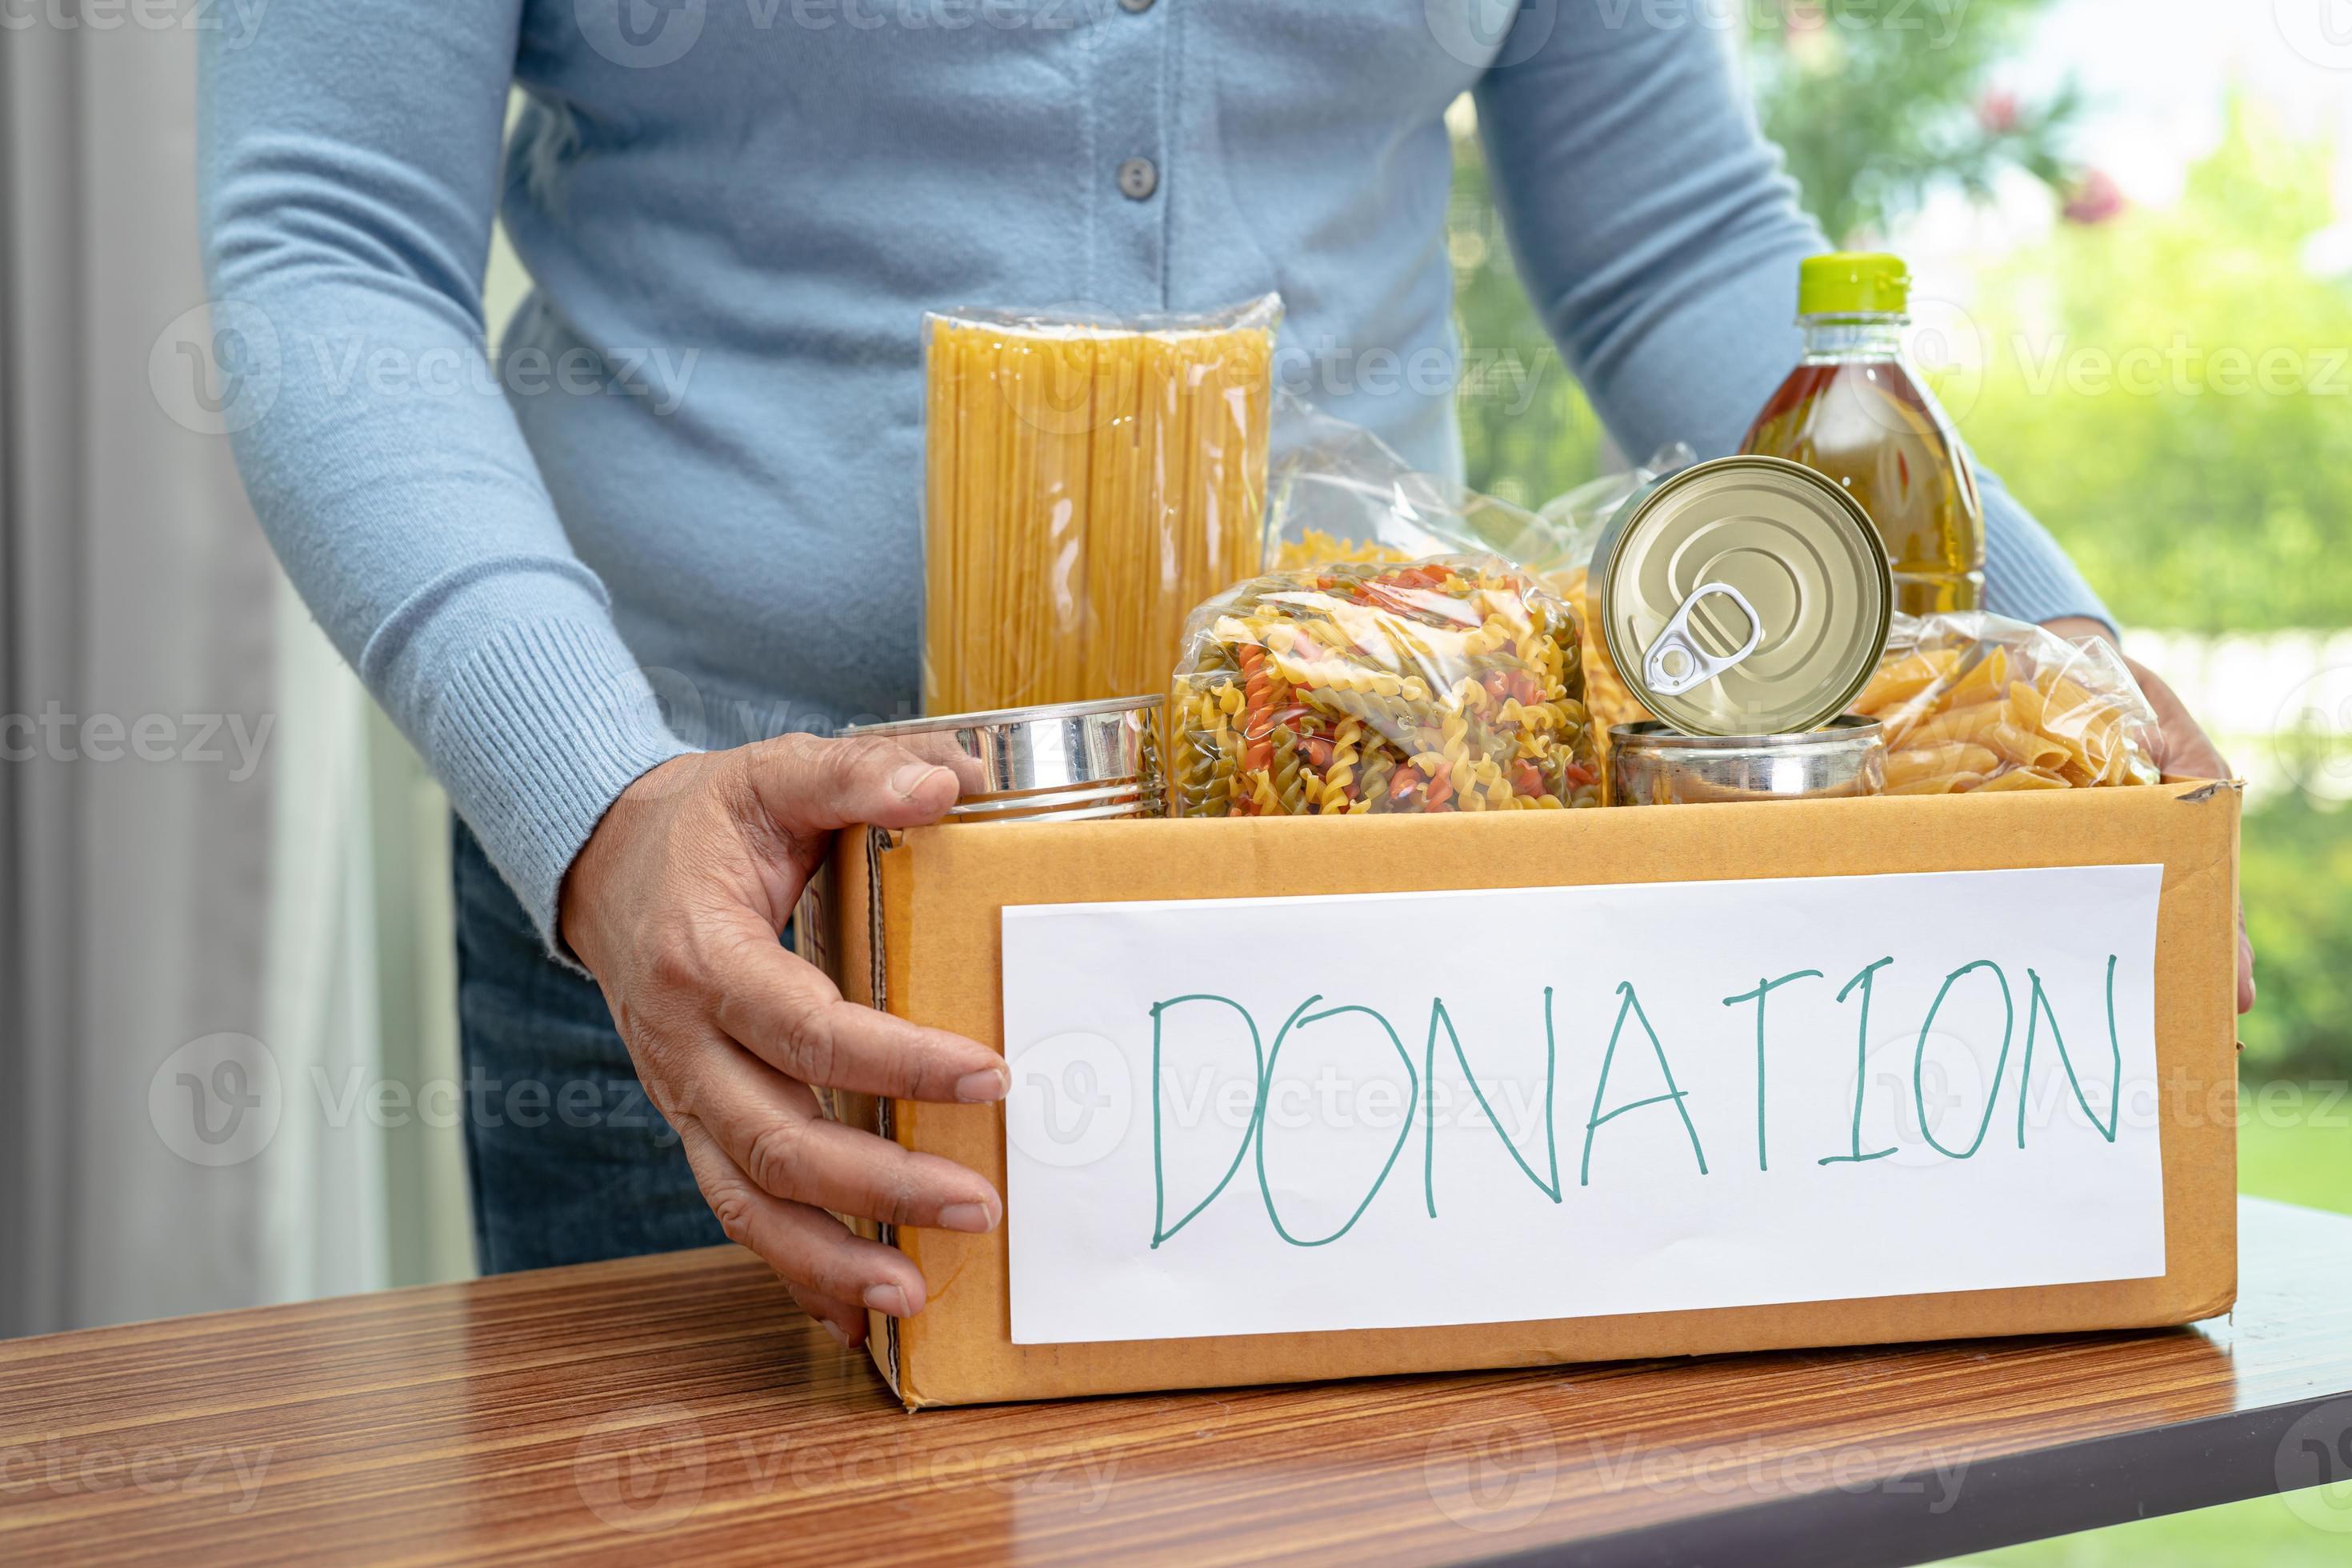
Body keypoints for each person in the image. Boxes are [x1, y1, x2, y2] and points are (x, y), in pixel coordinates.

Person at [199, 2, 2248, 1348]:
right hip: (734, 922)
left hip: (1370, 897)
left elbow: (1680, 238)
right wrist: (600, 805)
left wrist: (2044, 665)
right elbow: (330, 237)